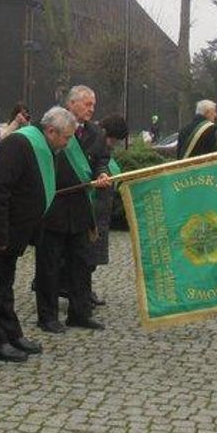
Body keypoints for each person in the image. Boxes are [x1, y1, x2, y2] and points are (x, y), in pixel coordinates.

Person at [0, 106, 77, 362]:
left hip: (11, 235)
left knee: (4, 287)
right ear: (50, 130)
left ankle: (11, 334)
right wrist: (0, 235)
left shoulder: (43, 148)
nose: (67, 143)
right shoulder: (18, 145)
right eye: (66, 137)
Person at [35, 86, 111, 333]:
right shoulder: (50, 125)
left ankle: (80, 313)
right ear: (72, 104)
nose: (92, 109)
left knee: (82, 262)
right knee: (50, 264)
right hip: (54, 205)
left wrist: (102, 173)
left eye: (93, 104)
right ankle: (47, 316)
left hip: (81, 206)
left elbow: (102, 159)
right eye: (87, 104)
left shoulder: (96, 132)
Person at [88, 113, 128, 307]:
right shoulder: (94, 145)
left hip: (102, 211)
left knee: (93, 256)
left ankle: (84, 289)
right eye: (113, 139)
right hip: (93, 209)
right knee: (87, 255)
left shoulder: (104, 150)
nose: (113, 144)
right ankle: (79, 289)